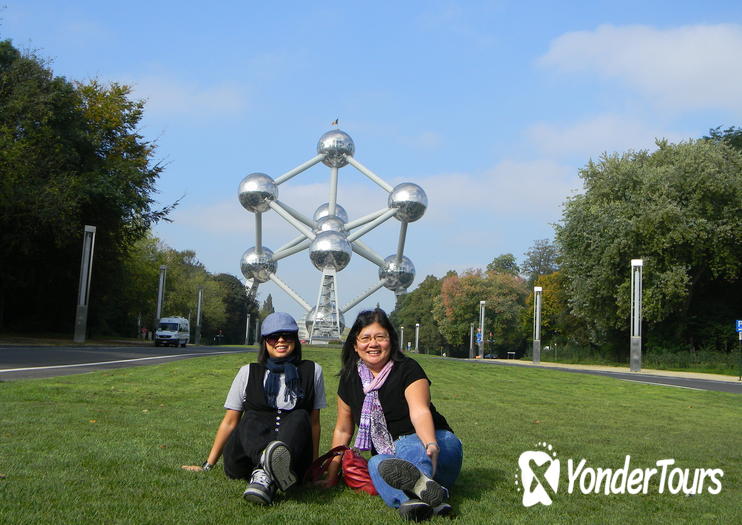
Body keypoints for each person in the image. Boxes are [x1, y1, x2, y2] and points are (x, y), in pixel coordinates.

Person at [321, 308, 463, 521]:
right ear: (355, 345)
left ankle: (419, 484)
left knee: (407, 445)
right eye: (366, 338)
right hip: (391, 457)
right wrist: (331, 475)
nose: (373, 344)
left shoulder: (407, 369)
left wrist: (430, 443)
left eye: (380, 337)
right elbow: (343, 430)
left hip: (437, 447)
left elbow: (420, 411)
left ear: (391, 341)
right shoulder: (350, 379)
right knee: (376, 464)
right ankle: (427, 498)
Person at [182, 312, 327, 505]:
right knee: (251, 417)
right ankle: (267, 464)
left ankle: (266, 475)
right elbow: (230, 421)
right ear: (265, 341)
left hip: (293, 458)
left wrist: (313, 469)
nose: (281, 340)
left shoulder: (312, 371)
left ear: (296, 340)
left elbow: (314, 424)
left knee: (300, 416)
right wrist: (208, 464)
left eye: (288, 335)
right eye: (274, 337)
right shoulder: (248, 372)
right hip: (244, 458)